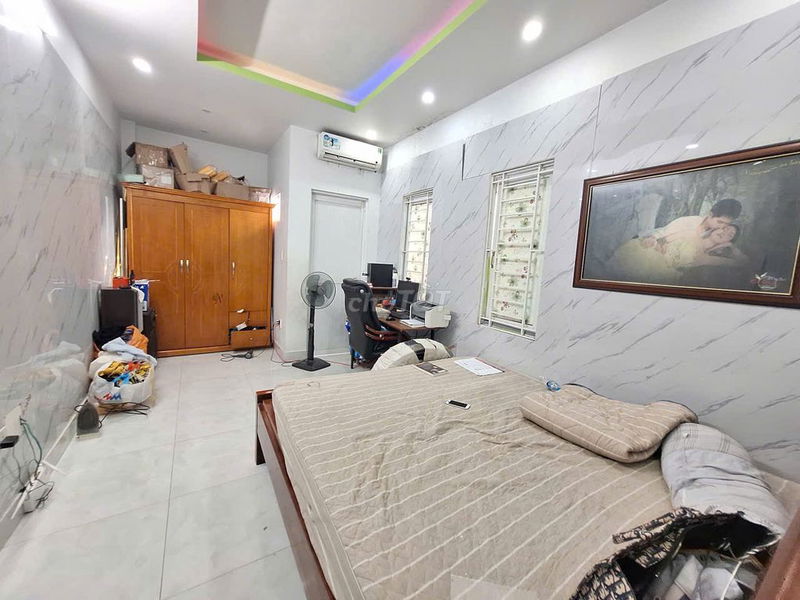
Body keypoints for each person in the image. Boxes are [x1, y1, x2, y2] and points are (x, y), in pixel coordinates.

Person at [610, 223, 746, 284]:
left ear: (729, 241)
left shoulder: (708, 258)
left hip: (662, 273)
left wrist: (730, 246)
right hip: (650, 255)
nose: (724, 233)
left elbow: (744, 263)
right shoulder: (692, 233)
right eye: (725, 228)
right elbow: (663, 238)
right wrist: (653, 240)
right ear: (716, 228)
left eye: (730, 235)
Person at [639, 198, 742, 249]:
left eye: (726, 224)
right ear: (710, 214)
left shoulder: (715, 235)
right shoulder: (689, 221)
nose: (722, 227)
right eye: (720, 222)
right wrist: (653, 238)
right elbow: (661, 233)